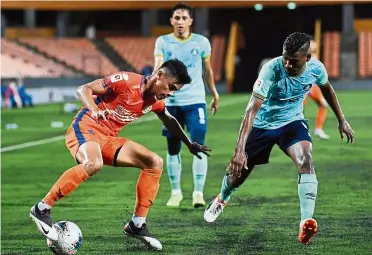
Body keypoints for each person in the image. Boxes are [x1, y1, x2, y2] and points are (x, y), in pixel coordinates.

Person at [29, 59, 211, 251]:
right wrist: (95, 110)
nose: (170, 93)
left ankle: (137, 224)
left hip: (107, 139)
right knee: (93, 163)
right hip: (85, 127)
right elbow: (84, 89)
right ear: (160, 76)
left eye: (175, 91)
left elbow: (169, 119)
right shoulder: (126, 80)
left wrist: (188, 144)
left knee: (154, 162)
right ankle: (42, 209)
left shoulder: (156, 101)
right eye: (171, 87)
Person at [204, 32, 354, 246]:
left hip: (292, 123)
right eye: (284, 57)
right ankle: (222, 198)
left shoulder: (316, 69)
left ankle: (305, 221)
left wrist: (342, 120)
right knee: (237, 175)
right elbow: (250, 111)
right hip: (262, 126)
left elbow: (327, 88)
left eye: (292, 61)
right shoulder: (271, 70)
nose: (286, 63)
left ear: (306, 59)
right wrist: (239, 150)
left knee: (306, 160)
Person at [153, 3, 219, 208]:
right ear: (171, 21)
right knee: (173, 148)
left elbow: (207, 71)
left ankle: (198, 194)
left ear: (191, 21)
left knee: (198, 144)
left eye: (184, 18)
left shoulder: (201, 42)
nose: (180, 22)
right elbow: (158, 68)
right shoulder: (163, 41)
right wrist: (153, 89)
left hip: (195, 102)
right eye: (176, 18)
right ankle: (176, 193)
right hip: (171, 102)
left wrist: (214, 94)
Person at [303, 38, 329, 139]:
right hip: (303, 87)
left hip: (312, 86)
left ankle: (318, 129)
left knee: (323, 105)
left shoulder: (313, 57)